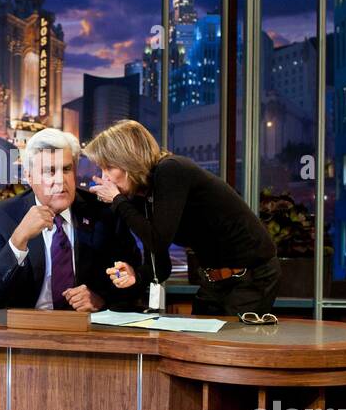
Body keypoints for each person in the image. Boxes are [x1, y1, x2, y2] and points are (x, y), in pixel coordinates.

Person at [85, 119, 280, 317]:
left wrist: (117, 200)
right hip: (213, 280)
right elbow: (161, 267)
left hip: (251, 276)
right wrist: (136, 275)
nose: (105, 177)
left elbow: (158, 239)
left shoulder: (171, 170)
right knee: (196, 342)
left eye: (109, 167)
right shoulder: (141, 198)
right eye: (101, 169)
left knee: (226, 347)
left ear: (129, 160)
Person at [0, 127, 141, 311]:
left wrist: (101, 299)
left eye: (66, 169)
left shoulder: (104, 213)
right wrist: (18, 239)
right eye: (49, 171)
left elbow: (136, 279)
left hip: (88, 331)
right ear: (29, 176)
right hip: (26, 331)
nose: (60, 180)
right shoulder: (2, 217)